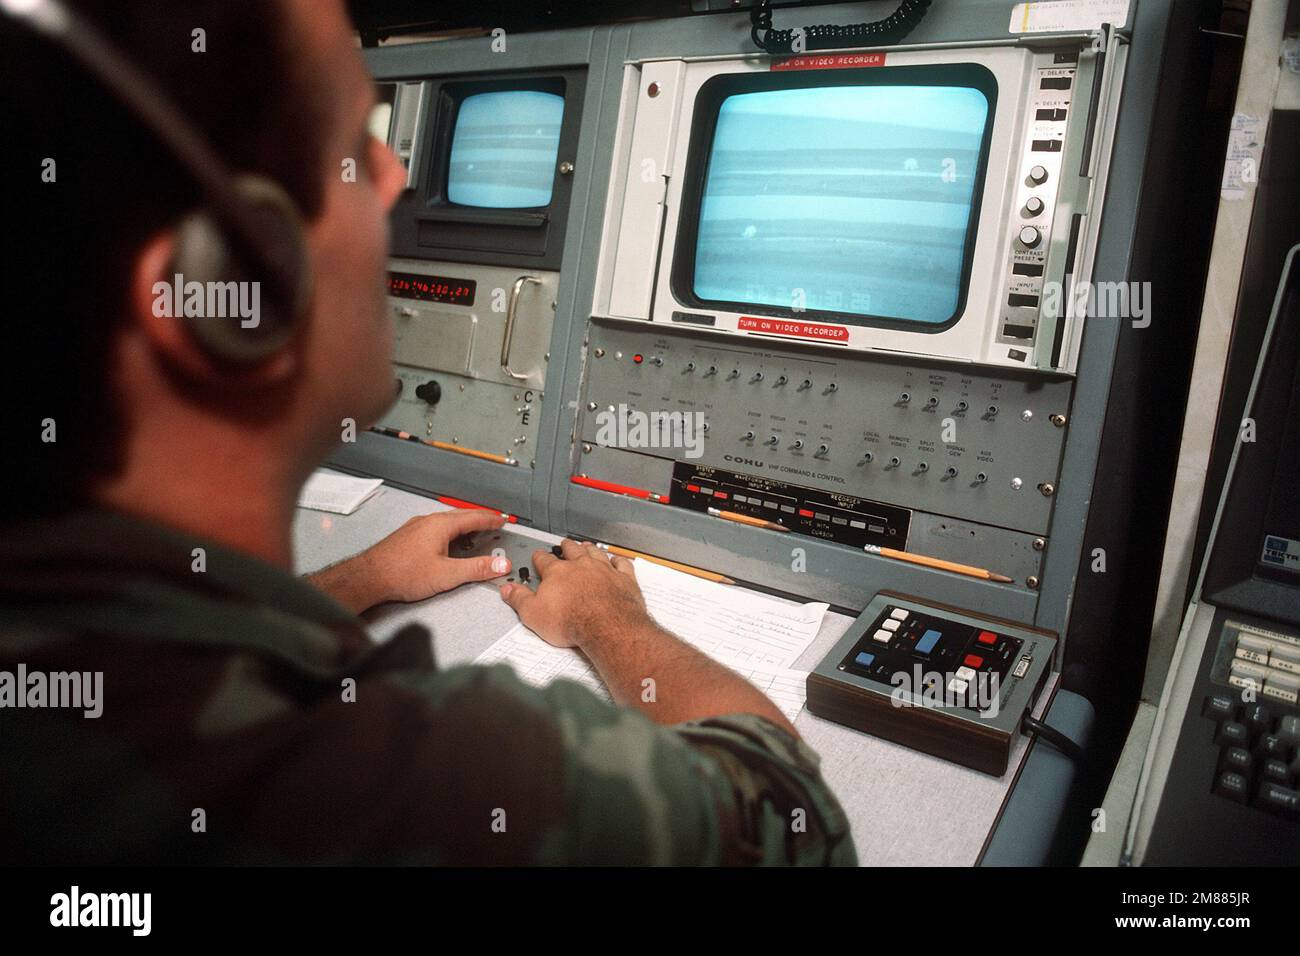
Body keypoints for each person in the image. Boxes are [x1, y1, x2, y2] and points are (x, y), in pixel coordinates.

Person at [0, 0, 855, 865]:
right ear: (233, 288)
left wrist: (361, 576)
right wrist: (609, 622)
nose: (396, 177)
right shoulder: (389, 780)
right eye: (352, 148)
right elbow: (790, 813)